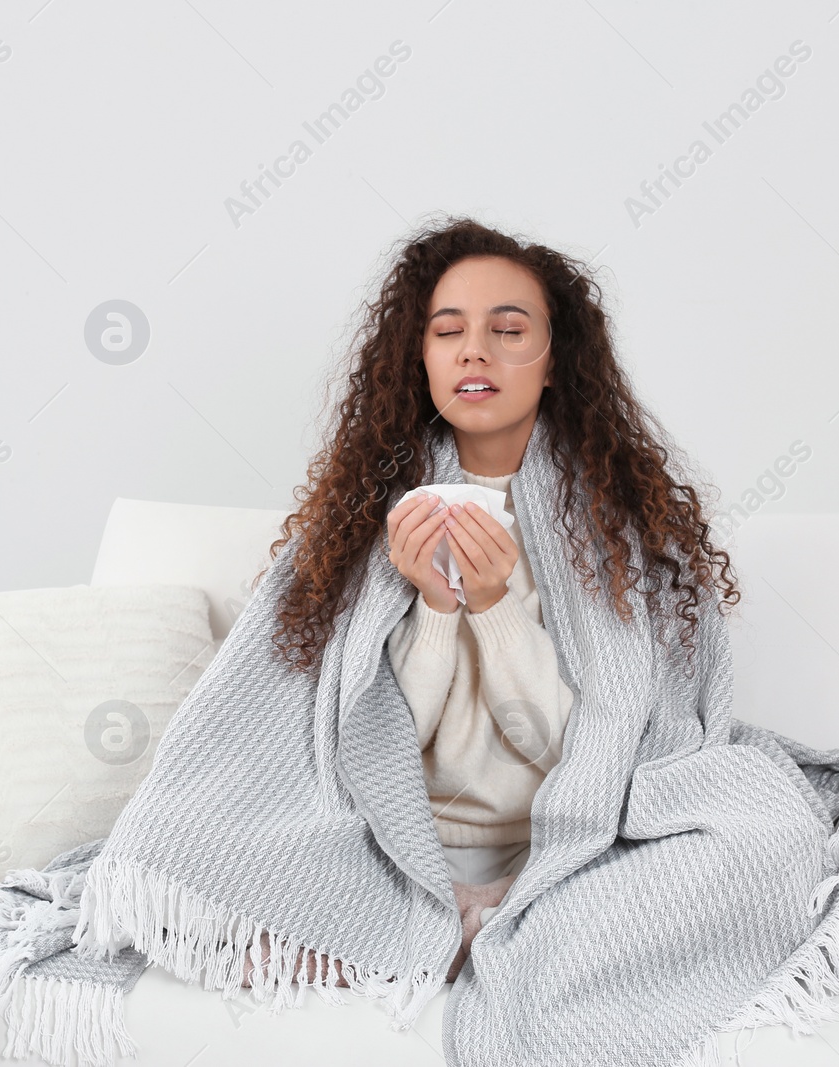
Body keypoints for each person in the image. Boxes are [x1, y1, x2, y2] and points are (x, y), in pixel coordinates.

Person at [243, 215, 739, 988]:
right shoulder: (359, 521)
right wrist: (437, 611)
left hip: (573, 854)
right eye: (448, 331)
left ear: (552, 364)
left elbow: (589, 756)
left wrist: (497, 606)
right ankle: (460, 925)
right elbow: (368, 753)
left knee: (762, 841)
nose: (475, 349)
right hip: (398, 851)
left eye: (509, 329)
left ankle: (500, 926)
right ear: (423, 360)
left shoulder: (620, 529)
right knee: (205, 851)